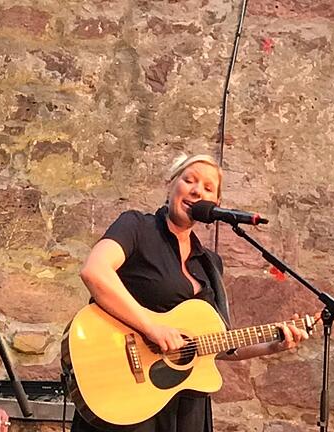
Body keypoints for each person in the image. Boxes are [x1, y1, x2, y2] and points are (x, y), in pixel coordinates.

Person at [72, 154, 308, 432]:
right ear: (171, 185)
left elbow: (217, 345)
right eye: (190, 180)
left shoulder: (209, 263)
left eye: (208, 188)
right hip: (128, 394)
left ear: (215, 205)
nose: (197, 190)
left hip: (185, 409)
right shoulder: (136, 227)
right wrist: (152, 328)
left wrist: (273, 345)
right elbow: (95, 271)